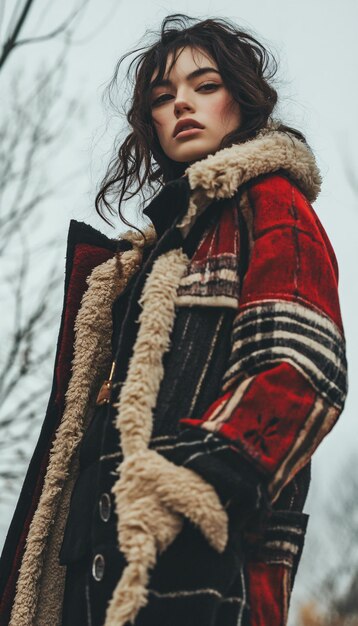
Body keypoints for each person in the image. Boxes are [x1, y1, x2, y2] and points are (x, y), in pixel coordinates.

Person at [0, 13, 348, 626]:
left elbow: (302, 369)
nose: (182, 104)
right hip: (93, 570)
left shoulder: (270, 200)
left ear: (241, 100)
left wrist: (189, 486)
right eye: (163, 97)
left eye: (204, 85)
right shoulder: (147, 260)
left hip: (198, 568)